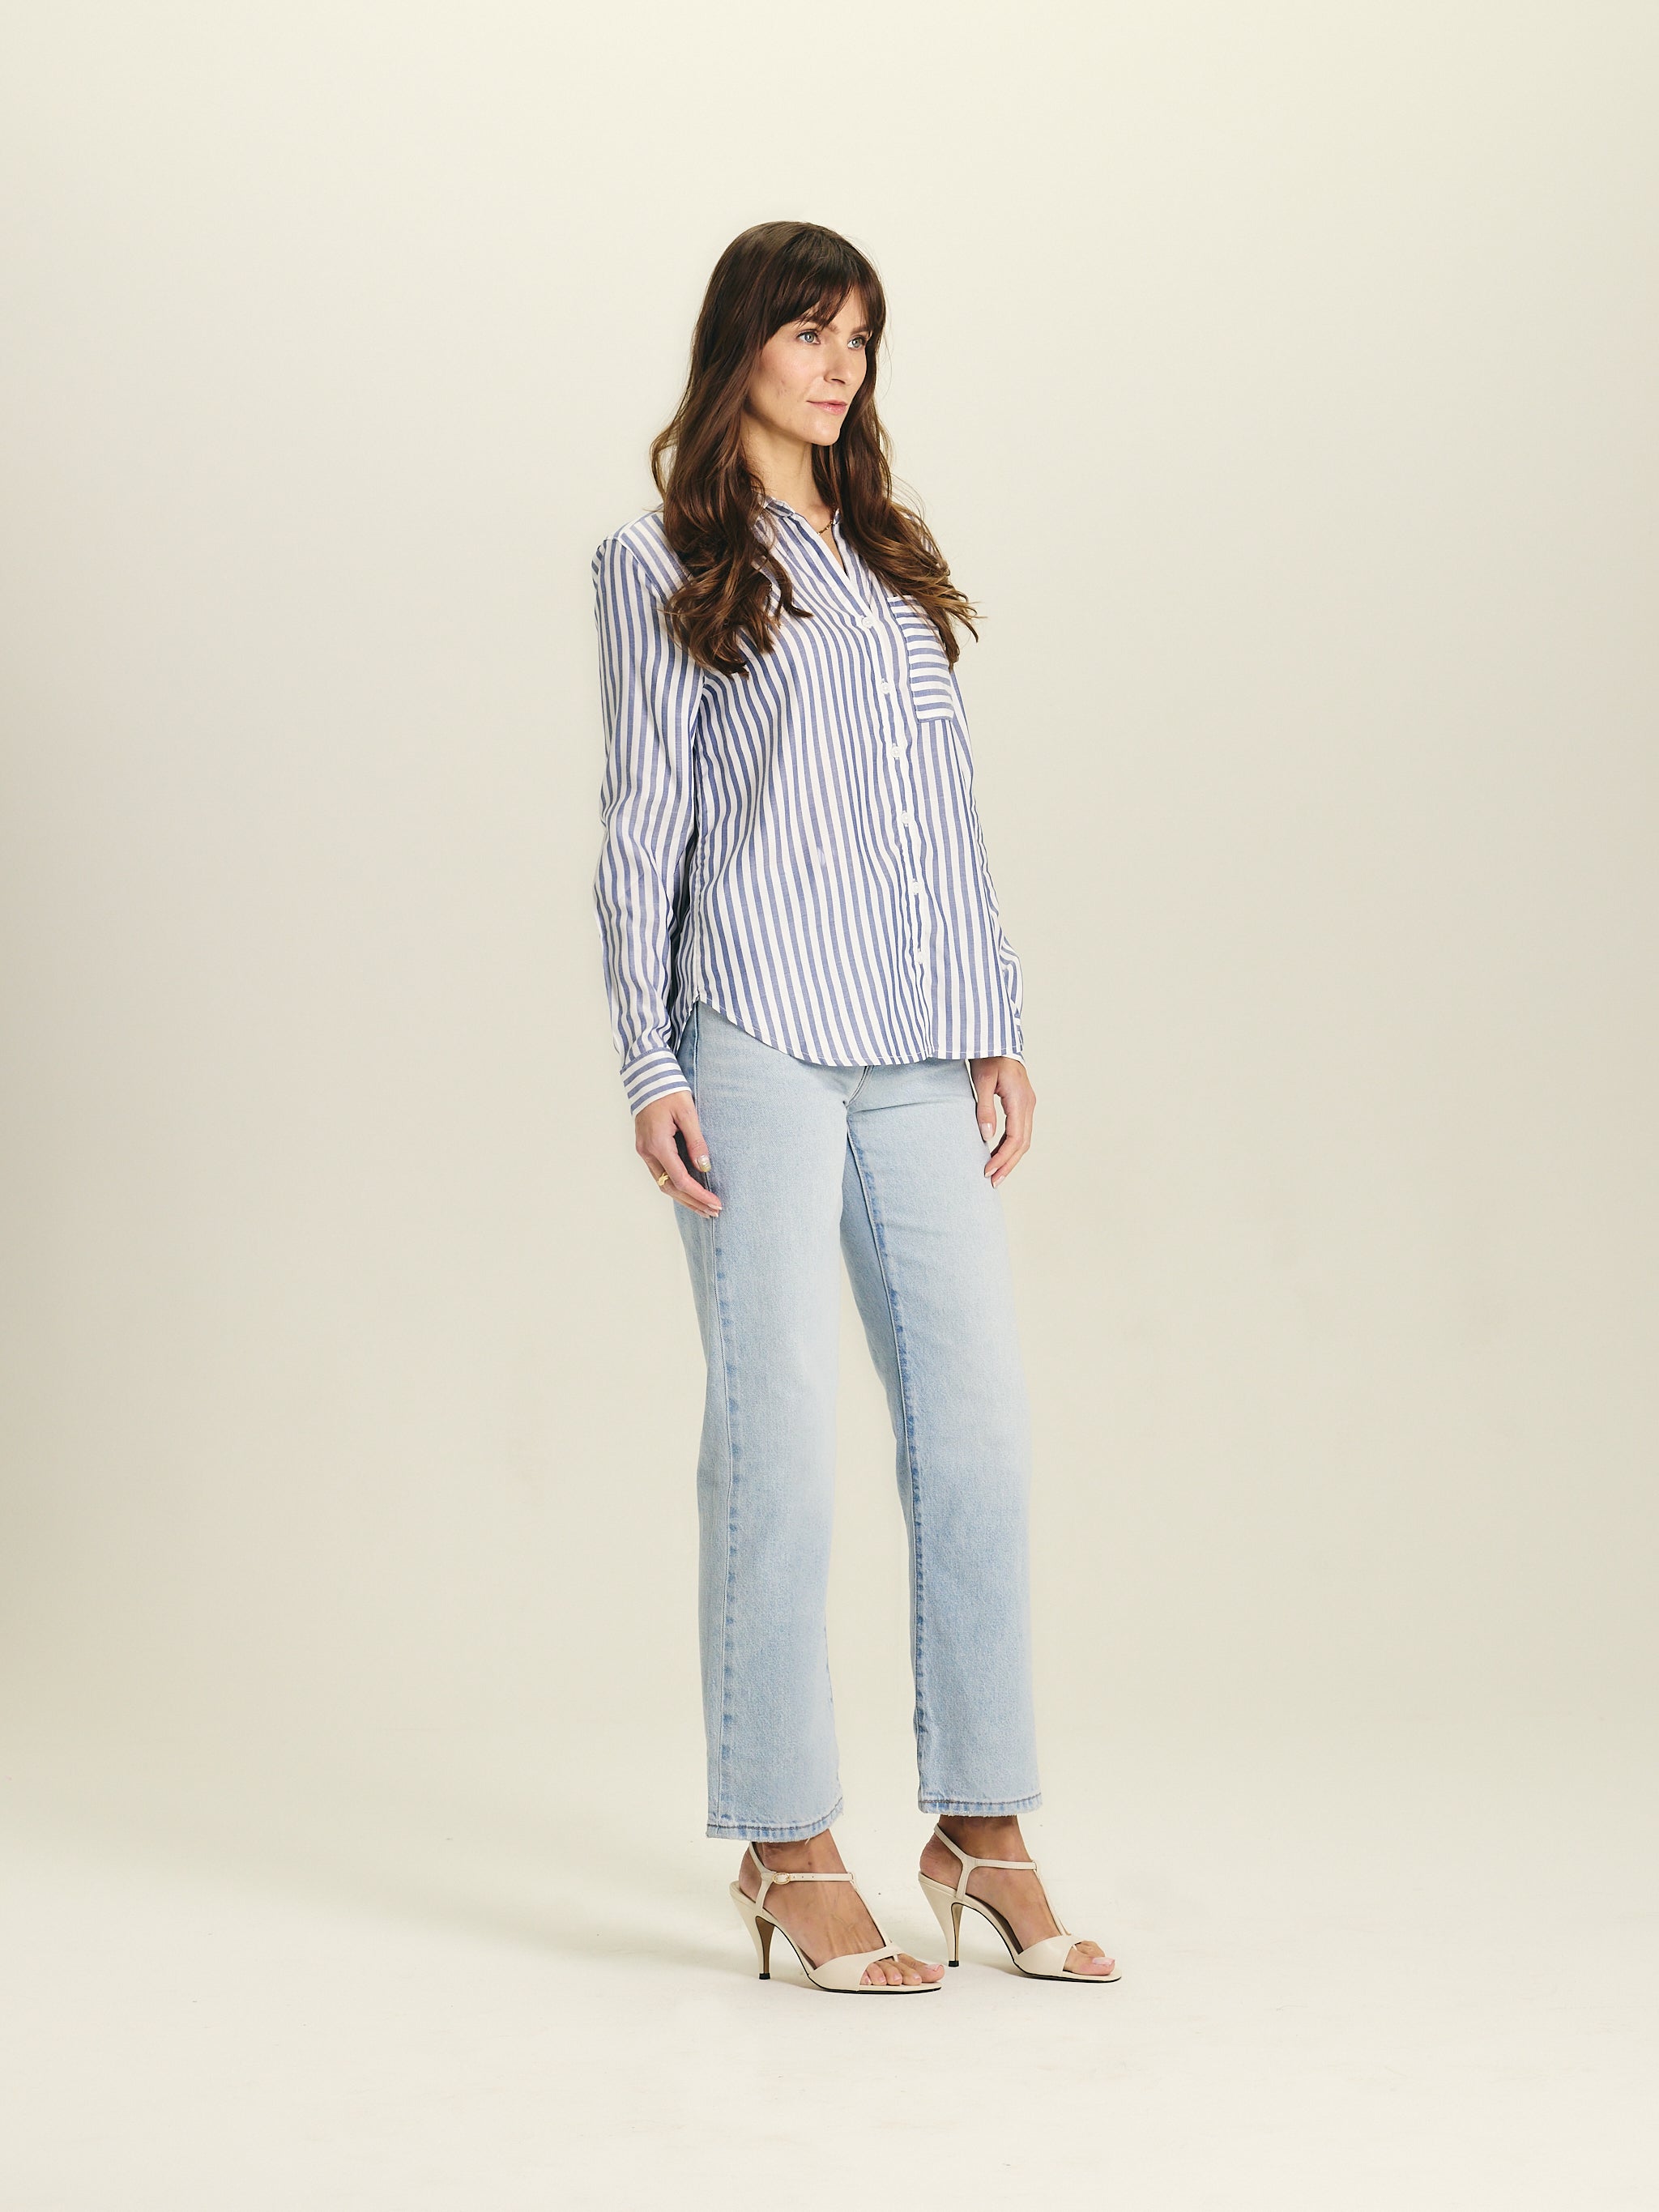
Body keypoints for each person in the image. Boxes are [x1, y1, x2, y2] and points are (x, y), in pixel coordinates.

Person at [591, 220, 1119, 1993]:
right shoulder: (660, 559)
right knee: (780, 1435)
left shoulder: (886, 560)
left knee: (977, 1430)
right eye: (810, 331)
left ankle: (981, 1827)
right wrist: (650, 1060)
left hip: (916, 1039)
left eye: (861, 338)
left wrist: (994, 1020)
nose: (839, 365)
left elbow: (940, 819)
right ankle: (785, 1840)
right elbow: (640, 827)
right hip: (750, 1029)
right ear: (741, 343)